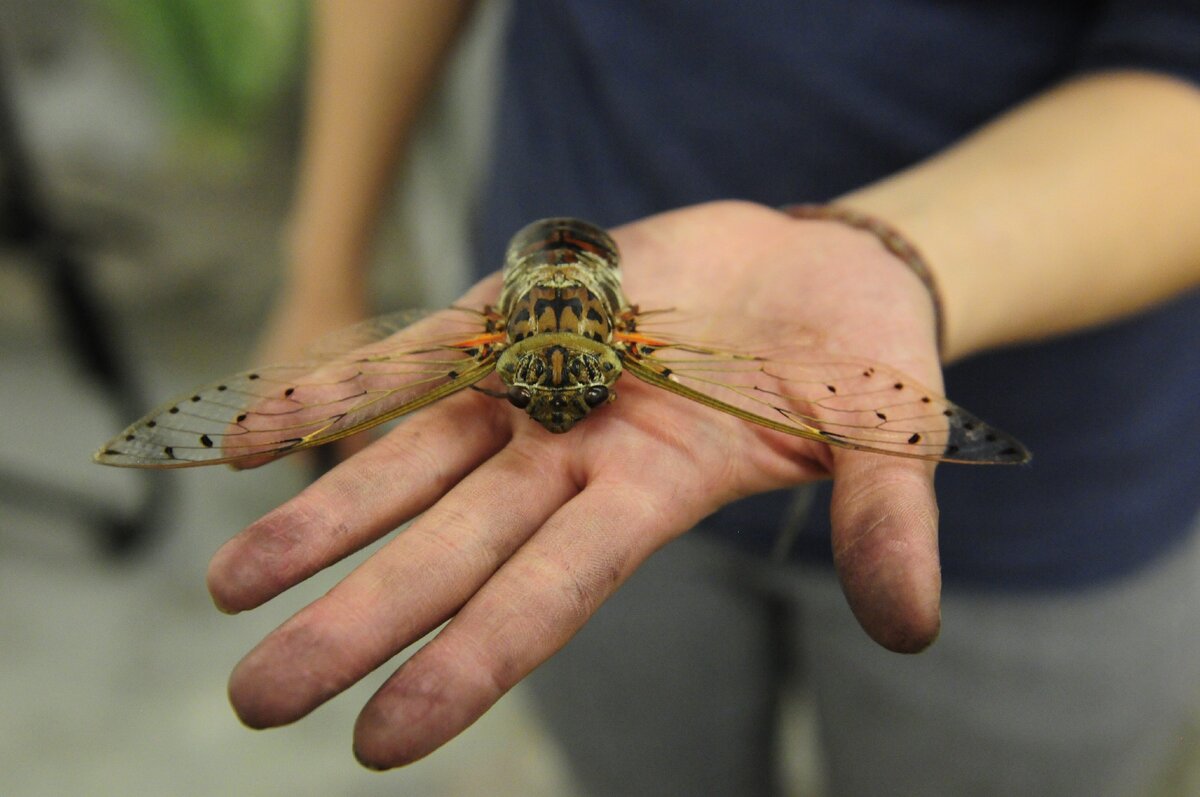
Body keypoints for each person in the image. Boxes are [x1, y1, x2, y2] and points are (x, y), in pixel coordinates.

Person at [206, 2, 1200, 795]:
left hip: (1065, 474)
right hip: (565, 289)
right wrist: (322, 269)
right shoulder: (530, 368)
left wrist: (888, 257)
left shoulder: (661, 358)